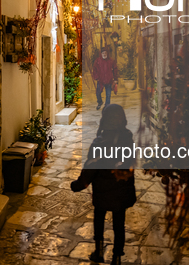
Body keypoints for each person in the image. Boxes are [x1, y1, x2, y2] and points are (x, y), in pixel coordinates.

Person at [71, 104, 136, 265]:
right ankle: (117, 257)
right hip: (121, 192)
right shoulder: (128, 139)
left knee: (99, 219)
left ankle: (99, 251)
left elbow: (90, 169)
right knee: (119, 224)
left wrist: (78, 184)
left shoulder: (99, 143)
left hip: (102, 191)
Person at [92, 46, 118, 110]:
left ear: (107, 53)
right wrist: (96, 77)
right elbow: (94, 69)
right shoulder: (97, 61)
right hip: (100, 80)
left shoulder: (111, 61)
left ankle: (107, 106)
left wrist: (115, 79)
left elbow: (115, 70)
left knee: (108, 94)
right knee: (98, 93)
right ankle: (100, 102)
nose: (104, 54)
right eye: (103, 53)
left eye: (105, 53)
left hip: (109, 80)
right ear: (101, 54)